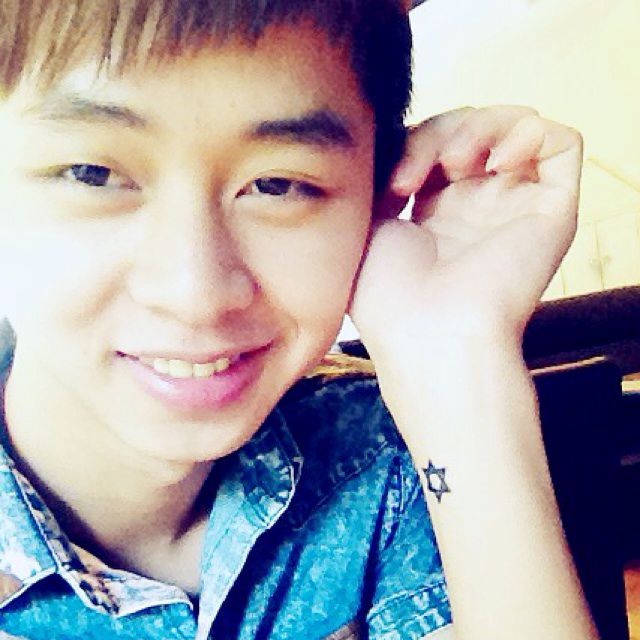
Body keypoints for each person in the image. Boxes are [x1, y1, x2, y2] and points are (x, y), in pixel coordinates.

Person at [0, 1, 598, 639]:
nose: (196, 293)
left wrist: (454, 357)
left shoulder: (383, 468)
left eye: (278, 185)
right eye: (93, 174)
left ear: (377, 197)